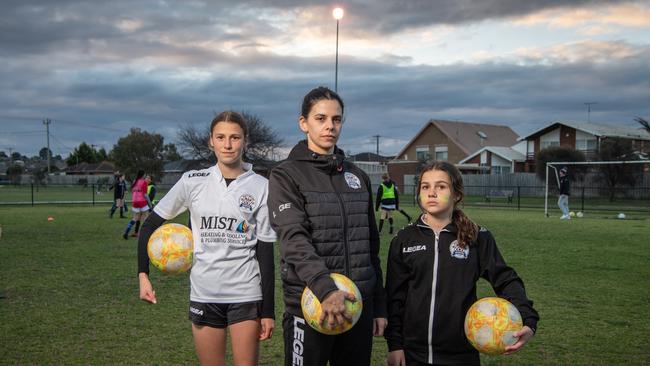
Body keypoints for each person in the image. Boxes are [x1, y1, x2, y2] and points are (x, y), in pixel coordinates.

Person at [137, 111, 277, 366]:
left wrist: (268, 311)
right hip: (204, 293)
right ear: (210, 141)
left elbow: (265, 251)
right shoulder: (192, 181)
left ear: (245, 140)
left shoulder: (261, 186)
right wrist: (143, 276)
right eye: (220, 137)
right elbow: (149, 226)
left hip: (245, 293)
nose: (227, 144)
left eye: (235, 137)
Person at [268, 86, 387, 366]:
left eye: (336, 120)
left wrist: (377, 305)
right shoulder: (286, 175)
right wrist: (326, 289)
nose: (330, 126)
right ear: (304, 123)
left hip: (355, 305)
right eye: (320, 119)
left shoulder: (357, 176)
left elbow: (370, 246)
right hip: (311, 305)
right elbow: (293, 239)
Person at [385, 161, 539, 366]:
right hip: (413, 354)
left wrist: (528, 319)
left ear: (456, 194)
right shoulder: (404, 239)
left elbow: (506, 279)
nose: (432, 193)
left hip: (461, 355)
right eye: (425, 186)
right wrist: (395, 345)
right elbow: (395, 296)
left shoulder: (477, 237)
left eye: (441, 186)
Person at [122, 170, 151, 239]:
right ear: (143, 175)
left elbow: (133, 191)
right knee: (146, 218)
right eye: (145, 175)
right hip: (142, 201)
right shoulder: (144, 182)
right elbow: (145, 195)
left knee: (135, 218)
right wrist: (150, 204)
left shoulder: (134, 181)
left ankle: (126, 232)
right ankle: (145, 234)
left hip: (134, 202)